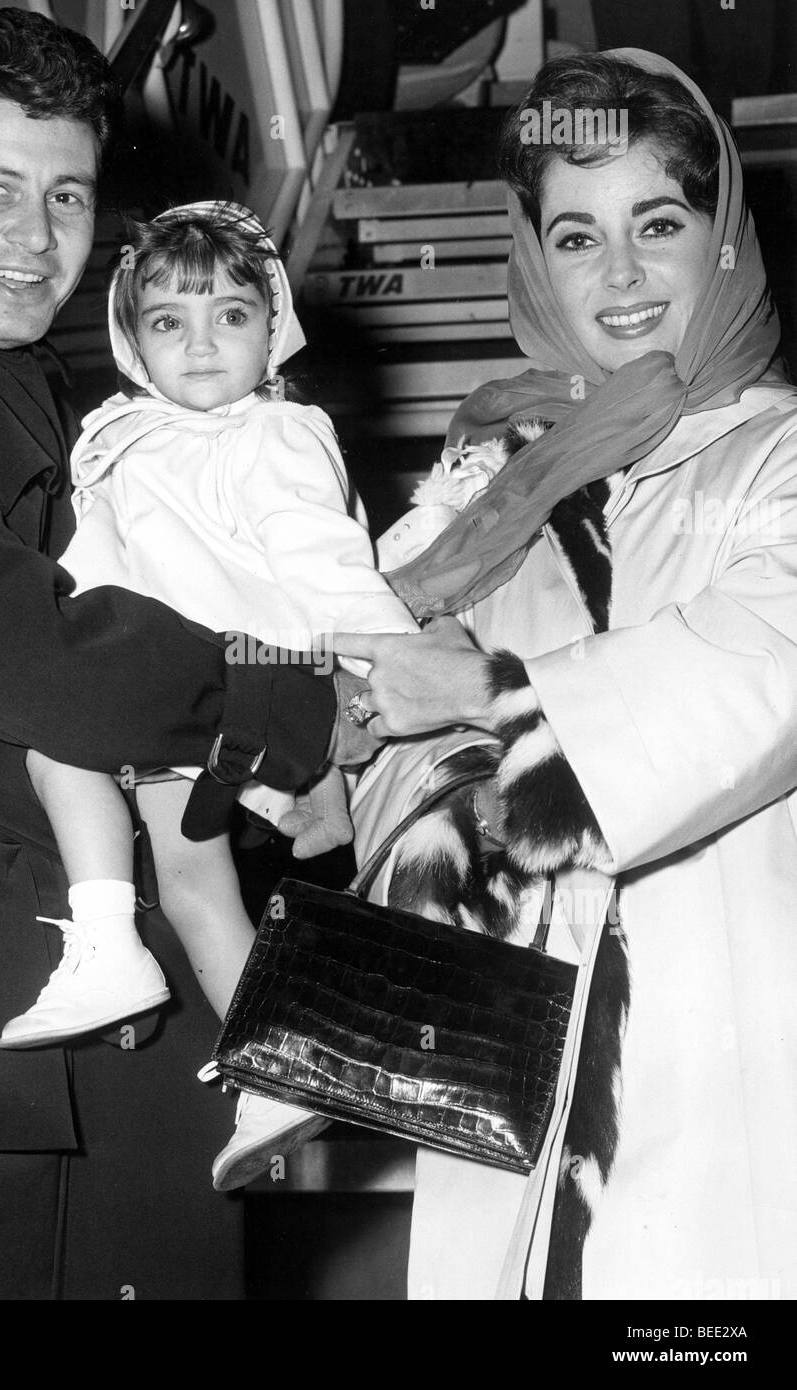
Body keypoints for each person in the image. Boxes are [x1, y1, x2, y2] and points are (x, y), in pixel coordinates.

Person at [0, 7, 378, 1300]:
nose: (36, 240)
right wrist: (289, 688)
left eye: (69, 197)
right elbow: (25, 654)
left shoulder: (75, 402)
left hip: (129, 990)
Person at [336, 48, 797, 1300]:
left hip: (734, 1042)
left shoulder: (777, 457)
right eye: (578, 236)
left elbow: (761, 674)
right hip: (517, 1055)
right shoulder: (486, 486)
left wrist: (494, 704)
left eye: (659, 221)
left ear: (722, 234)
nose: (625, 275)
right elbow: (364, 723)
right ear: (535, 256)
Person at [0, 200, 416, 1190]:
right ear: (131, 338)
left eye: (229, 315)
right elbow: (87, 561)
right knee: (167, 861)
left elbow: (326, 556)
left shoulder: (276, 431)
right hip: (145, 676)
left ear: (273, 328)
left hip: (240, 678)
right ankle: (221, 1026)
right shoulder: (119, 436)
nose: (199, 345)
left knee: (183, 862)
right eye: (168, 322)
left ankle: (146, 965)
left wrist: (383, 663)